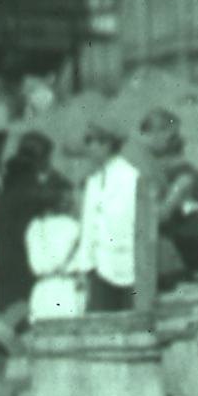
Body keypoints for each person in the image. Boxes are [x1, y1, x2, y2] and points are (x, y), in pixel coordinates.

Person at [72, 124, 147, 314]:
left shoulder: (130, 177)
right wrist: (84, 265)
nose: (88, 148)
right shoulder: (94, 181)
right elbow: (88, 226)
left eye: (92, 142)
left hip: (129, 267)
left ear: (107, 144)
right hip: (99, 268)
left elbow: (138, 225)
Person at [139, 109, 198, 289]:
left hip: (179, 248)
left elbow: (162, 214)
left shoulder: (181, 173)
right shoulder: (147, 168)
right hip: (162, 249)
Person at [0, 132, 55, 317]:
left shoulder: (4, 192)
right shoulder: (38, 192)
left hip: (5, 269)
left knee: (9, 326)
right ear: (42, 158)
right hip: (29, 271)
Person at [22, 174, 90, 322]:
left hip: (41, 291)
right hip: (68, 291)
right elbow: (84, 264)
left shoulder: (34, 227)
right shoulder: (74, 227)